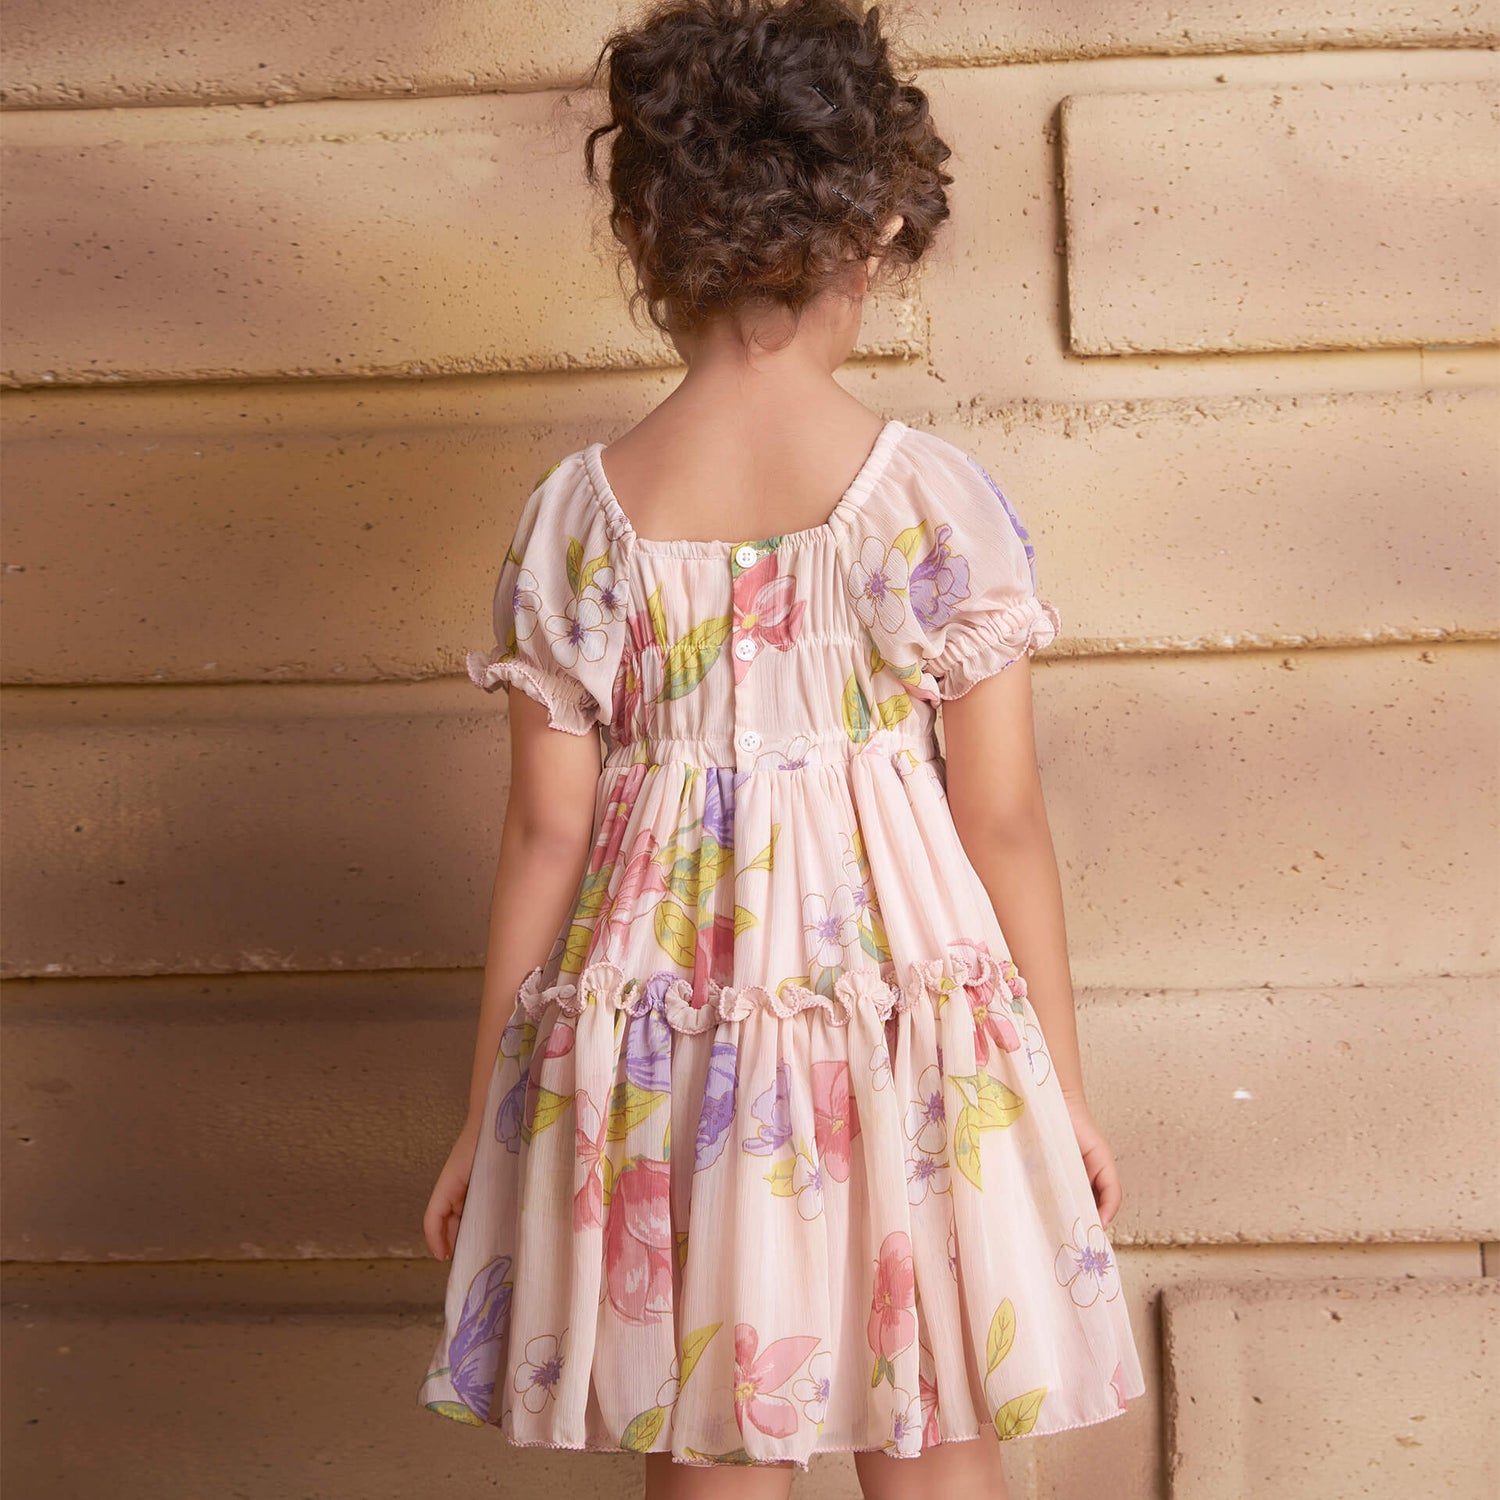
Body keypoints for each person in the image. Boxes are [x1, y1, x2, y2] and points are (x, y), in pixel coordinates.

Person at [417, 2, 1146, 1495]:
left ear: (652, 250)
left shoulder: (577, 519)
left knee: (712, 1417)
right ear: (872, 234)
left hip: (670, 1034)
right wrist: (1055, 1084)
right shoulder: (933, 500)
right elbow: (1001, 818)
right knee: (933, 1404)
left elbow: (545, 835)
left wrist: (492, 1112)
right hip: (903, 1024)